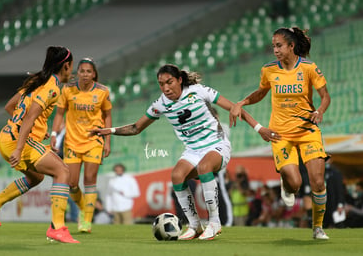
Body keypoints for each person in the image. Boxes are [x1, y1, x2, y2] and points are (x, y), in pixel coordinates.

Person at [90, 64, 269, 240]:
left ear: (180, 80)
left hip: (216, 144)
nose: (166, 88)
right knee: (177, 176)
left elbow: (234, 108)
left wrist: (259, 128)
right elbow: (137, 127)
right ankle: (194, 225)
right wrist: (111, 131)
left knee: (205, 167)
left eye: (169, 82)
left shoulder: (198, 91)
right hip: (192, 149)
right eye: (161, 84)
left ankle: (214, 223)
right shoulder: (161, 104)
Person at [229, 27, 331, 239]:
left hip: (307, 131)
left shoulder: (309, 68)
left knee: (318, 181)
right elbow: (260, 92)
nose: (275, 50)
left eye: (279, 46)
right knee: (295, 184)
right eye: (273, 46)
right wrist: (242, 102)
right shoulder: (269, 70)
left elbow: (325, 96)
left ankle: (318, 227)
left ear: (291, 46)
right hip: (280, 135)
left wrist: (320, 111)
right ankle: (286, 183)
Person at [0, 46, 79, 243]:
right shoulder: (51, 86)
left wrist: (35, 128)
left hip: (5, 136)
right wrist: (20, 145)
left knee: (36, 177)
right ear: (65, 66)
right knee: (63, 172)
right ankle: (57, 227)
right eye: (72, 67)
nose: (72, 72)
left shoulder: (37, 80)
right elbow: (29, 118)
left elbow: (11, 107)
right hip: (18, 142)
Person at [50, 57, 112, 233]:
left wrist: (107, 140)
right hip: (72, 141)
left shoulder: (102, 91)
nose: (85, 74)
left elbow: (107, 115)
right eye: (82, 71)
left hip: (94, 140)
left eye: (88, 71)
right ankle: (86, 208)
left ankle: (86, 220)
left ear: (94, 74)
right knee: (72, 183)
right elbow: (59, 114)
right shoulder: (67, 89)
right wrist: (54, 134)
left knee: (90, 179)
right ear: (77, 72)